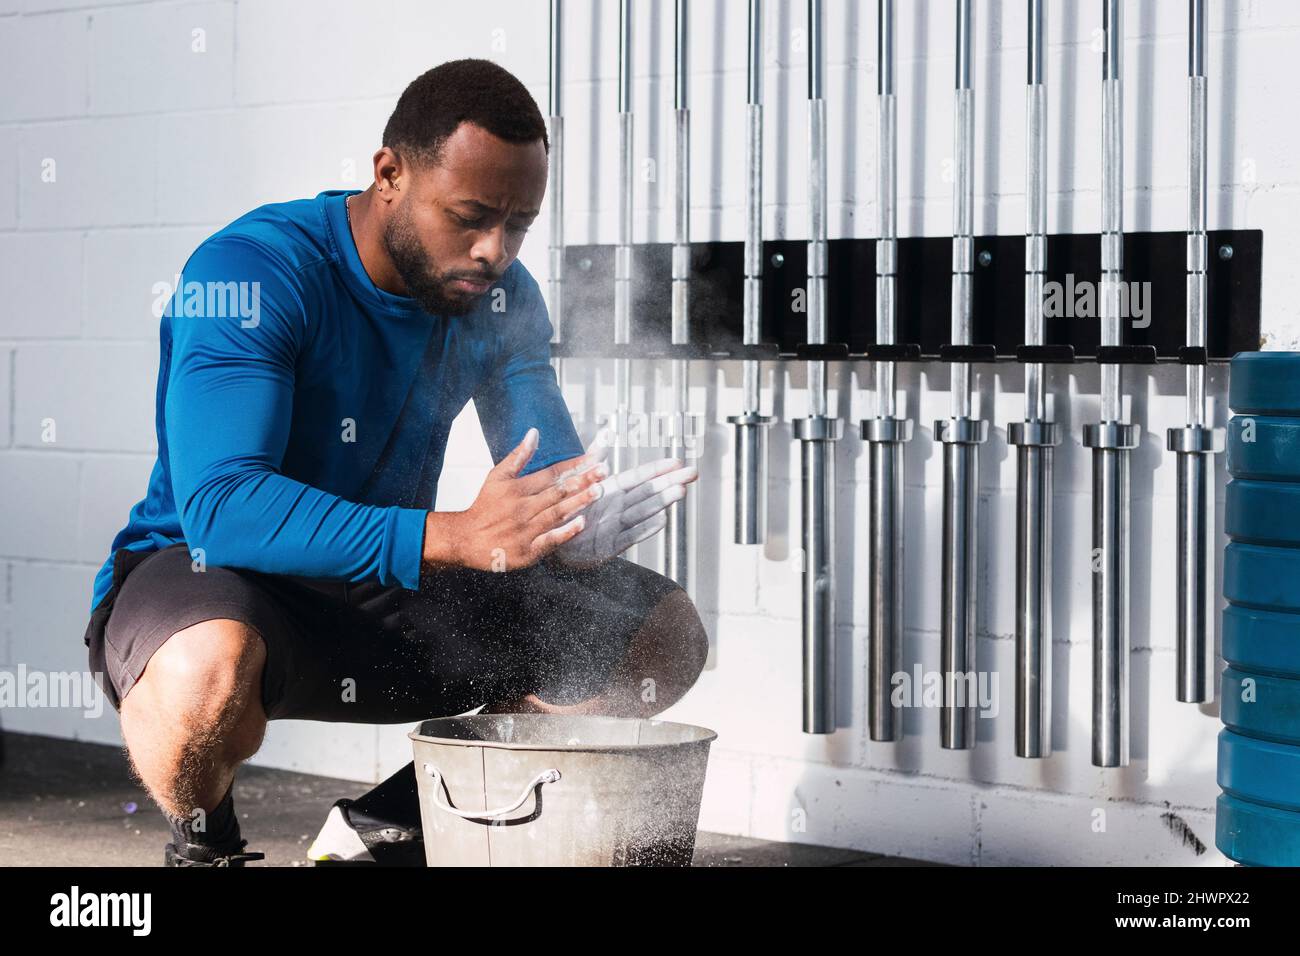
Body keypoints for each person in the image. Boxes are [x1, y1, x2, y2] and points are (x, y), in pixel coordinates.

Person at [82, 58, 707, 867]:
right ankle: (207, 845)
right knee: (207, 667)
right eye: (470, 216)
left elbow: (543, 477)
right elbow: (224, 506)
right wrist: (457, 534)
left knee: (661, 634)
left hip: (385, 589)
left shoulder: (502, 295)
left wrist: (568, 529)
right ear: (390, 174)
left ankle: (392, 827)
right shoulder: (253, 272)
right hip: (214, 575)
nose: (493, 251)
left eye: (518, 224)